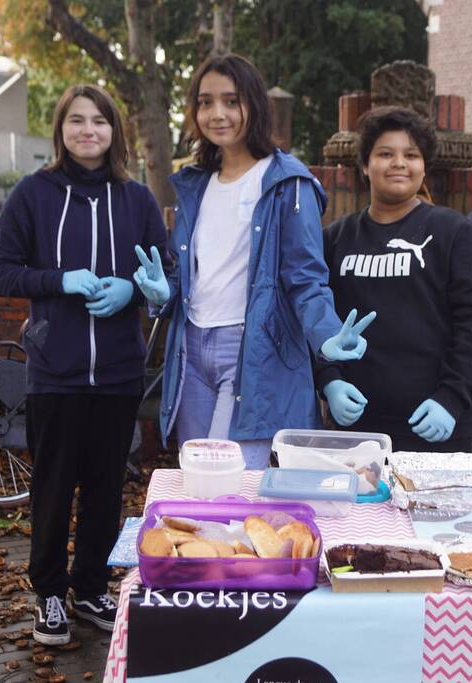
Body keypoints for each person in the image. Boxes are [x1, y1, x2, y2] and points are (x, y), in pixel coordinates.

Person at [0, 84, 167, 645]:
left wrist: (135, 292)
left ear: (115, 130)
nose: (89, 131)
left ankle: (89, 590)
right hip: (55, 372)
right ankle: (49, 596)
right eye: (77, 121)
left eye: (100, 121)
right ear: (61, 129)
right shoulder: (32, 194)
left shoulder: (136, 200)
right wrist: (57, 281)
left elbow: (163, 275)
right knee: (53, 487)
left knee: (107, 489)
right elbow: (1, 272)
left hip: (116, 373)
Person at [131, 53, 372, 469]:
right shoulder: (195, 184)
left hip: (252, 350)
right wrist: (163, 292)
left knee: (232, 482)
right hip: (191, 347)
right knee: (198, 478)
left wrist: (327, 336)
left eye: (231, 100)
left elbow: (305, 277)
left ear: (254, 106)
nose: (216, 113)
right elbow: (194, 275)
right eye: (205, 102)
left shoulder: (287, 182)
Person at [315, 106, 472, 452]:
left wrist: (451, 398)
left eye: (411, 155)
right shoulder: (336, 239)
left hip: (441, 427)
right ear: (364, 165)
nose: (399, 163)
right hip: (357, 428)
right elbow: (314, 317)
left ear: (424, 166)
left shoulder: (457, 235)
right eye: (385, 153)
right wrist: (328, 381)